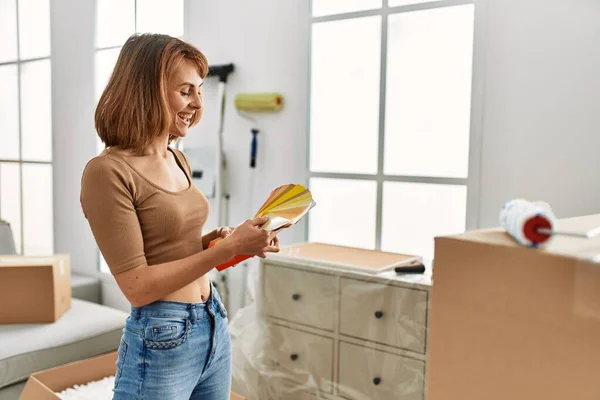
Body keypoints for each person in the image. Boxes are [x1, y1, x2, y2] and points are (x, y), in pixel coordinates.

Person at [80, 33, 280, 400]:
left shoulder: (177, 158)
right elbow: (137, 286)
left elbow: (170, 250)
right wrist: (224, 250)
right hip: (162, 337)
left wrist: (227, 242)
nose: (197, 104)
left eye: (200, 91)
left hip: (212, 320)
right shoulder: (107, 172)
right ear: (147, 90)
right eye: (186, 90)